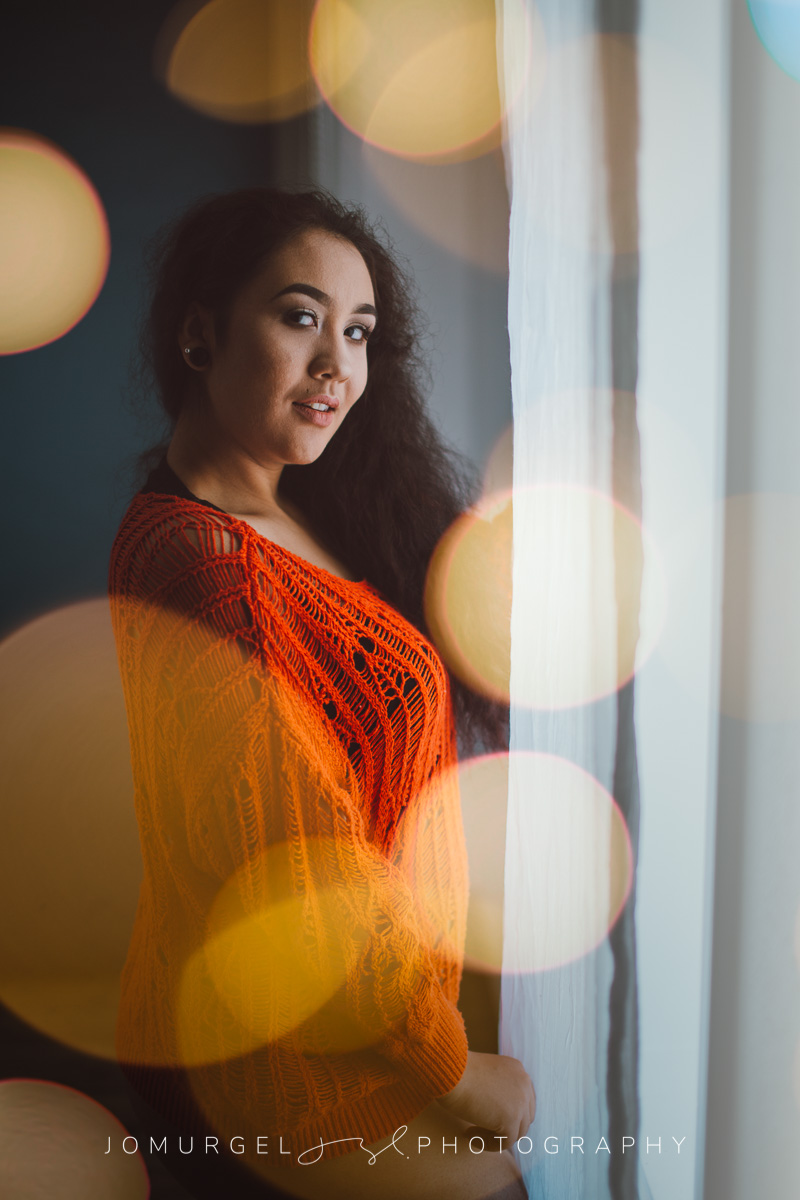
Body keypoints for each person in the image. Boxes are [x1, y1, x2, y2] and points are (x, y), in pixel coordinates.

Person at [109, 187, 534, 1200]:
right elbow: (307, 879)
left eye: (358, 331)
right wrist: (452, 1072)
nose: (337, 368)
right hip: (293, 1074)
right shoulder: (210, 567)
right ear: (201, 334)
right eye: (299, 317)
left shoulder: (279, 513)